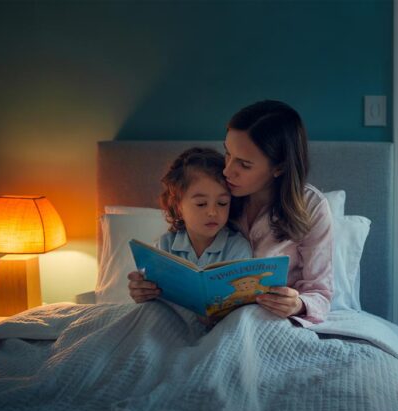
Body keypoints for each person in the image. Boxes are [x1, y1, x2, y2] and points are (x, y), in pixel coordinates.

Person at [129, 100, 333, 327]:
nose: (227, 170)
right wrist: (147, 288)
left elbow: (320, 292)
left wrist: (298, 304)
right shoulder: (217, 192)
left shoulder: (311, 207)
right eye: (227, 154)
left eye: (244, 165)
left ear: (279, 167)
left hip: (267, 320)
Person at [127, 147, 253, 306]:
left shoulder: (237, 247)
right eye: (201, 204)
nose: (213, 212)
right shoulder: (164, 246)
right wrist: (142, 292)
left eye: (222, 203)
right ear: (178, 206)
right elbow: (153, 298)